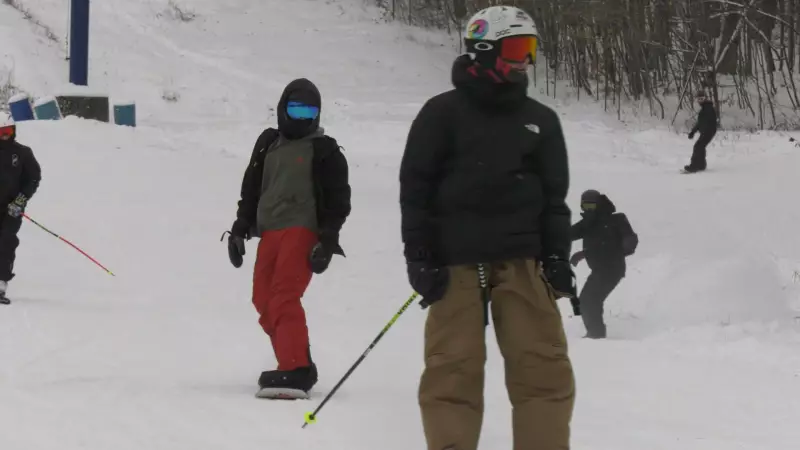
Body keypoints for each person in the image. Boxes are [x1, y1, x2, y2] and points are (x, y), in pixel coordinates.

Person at [399, 6, 577, 450]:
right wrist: (419, 256)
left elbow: (555, 202)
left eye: (530, 50)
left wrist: (556, 258)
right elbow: (415, 192)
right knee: (451, 374)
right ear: (484, 49)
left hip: (523, 265)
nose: (525, 61)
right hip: (454, 266)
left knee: (544, 372)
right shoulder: (441, 115)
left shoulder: (540, 121)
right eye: (517, 49)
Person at [225, 79, 351, 396]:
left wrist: (327, 240)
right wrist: (240, 228)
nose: (301, 116)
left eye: (309, 110)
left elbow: (338, 201)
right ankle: (298, 361)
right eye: (295, 108)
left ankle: (294, 368)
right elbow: (252, 188)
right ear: (283, 109)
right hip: (270, 231)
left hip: (302, 230)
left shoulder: (325, 150)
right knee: (262, 298)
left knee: (284, 295)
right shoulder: (269, 143)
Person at [570, 189, 638, 339]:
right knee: (588, 300)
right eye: (585, 207)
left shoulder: (617, 220)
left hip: (612, 268)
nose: (588, 210)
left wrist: (627, 243)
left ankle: (596, 335)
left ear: (599, 204)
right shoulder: (587, 223)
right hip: (600, 269)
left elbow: (628, 240)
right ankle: (595, 334)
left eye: (591, 206)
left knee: (589, 300)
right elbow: (567, 234)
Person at [0, 112, 41, 305]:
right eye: (1, 132)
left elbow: (33, 178)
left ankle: (1, 282)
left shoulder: (23, 153)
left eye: (8, 131)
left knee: (6, 240)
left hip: (11, 208)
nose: (4, 135)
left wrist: (20, 200)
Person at [685, 90, 717, 173]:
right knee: (700, 147)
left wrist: (707, 129)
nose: (700, 101)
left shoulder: (708, 108)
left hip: (709, 131)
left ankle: (694, 166)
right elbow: (699, 123)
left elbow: (709, 121)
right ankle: (701, 165)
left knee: (698, 146)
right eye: (699, 99)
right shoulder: (704, 109)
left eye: (702, 99)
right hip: (706, 131)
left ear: (705, 98)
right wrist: (693, 132)